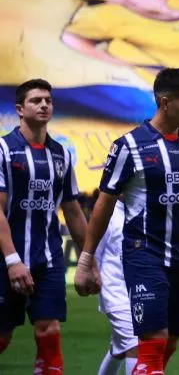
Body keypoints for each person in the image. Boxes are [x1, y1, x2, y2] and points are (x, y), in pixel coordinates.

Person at [74, 68, 179, 375]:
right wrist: (86, 260)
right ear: (165, 102)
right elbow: (104, 204)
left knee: (172, 338)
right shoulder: (128, 146)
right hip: (143, 252)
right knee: (153, 339)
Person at [0, 79, 88, 373]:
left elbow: (73, 210)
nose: (43, 105)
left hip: (48, 257)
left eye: (48, 100)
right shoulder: (3, 150)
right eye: (36, 100)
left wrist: (88, 260)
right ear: (19, 109)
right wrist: (12, 260)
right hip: (5, 258)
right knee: (2, 336)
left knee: (49, 330)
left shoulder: (62, 154)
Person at [94, 199, 139, 375]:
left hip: (142, 288)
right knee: (136, 343)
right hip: (114, 289)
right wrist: (91, 273)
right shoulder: (107, 213)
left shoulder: (148, 207)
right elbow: (94, 251)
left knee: (119, 348)